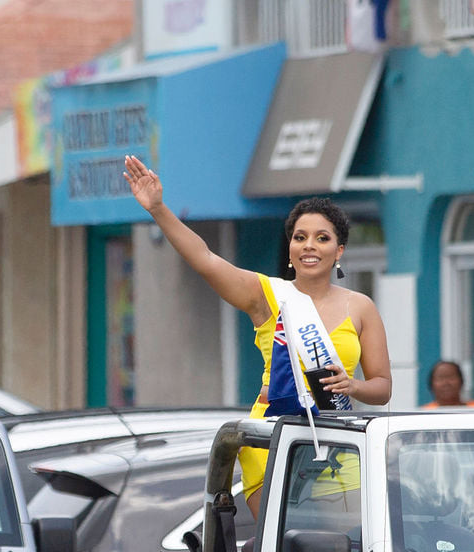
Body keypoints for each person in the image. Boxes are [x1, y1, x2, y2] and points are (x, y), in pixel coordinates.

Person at [122, 154, 391, 509]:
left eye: (322, 238)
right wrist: (158, 209)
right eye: (300, 237)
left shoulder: (360, 307)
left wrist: (352, 385)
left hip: (339, 441)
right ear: (291, 250)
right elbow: (205, 258)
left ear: (338, 250)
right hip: (275, 439)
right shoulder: (268, 295)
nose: (310, 245)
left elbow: (382, 388)